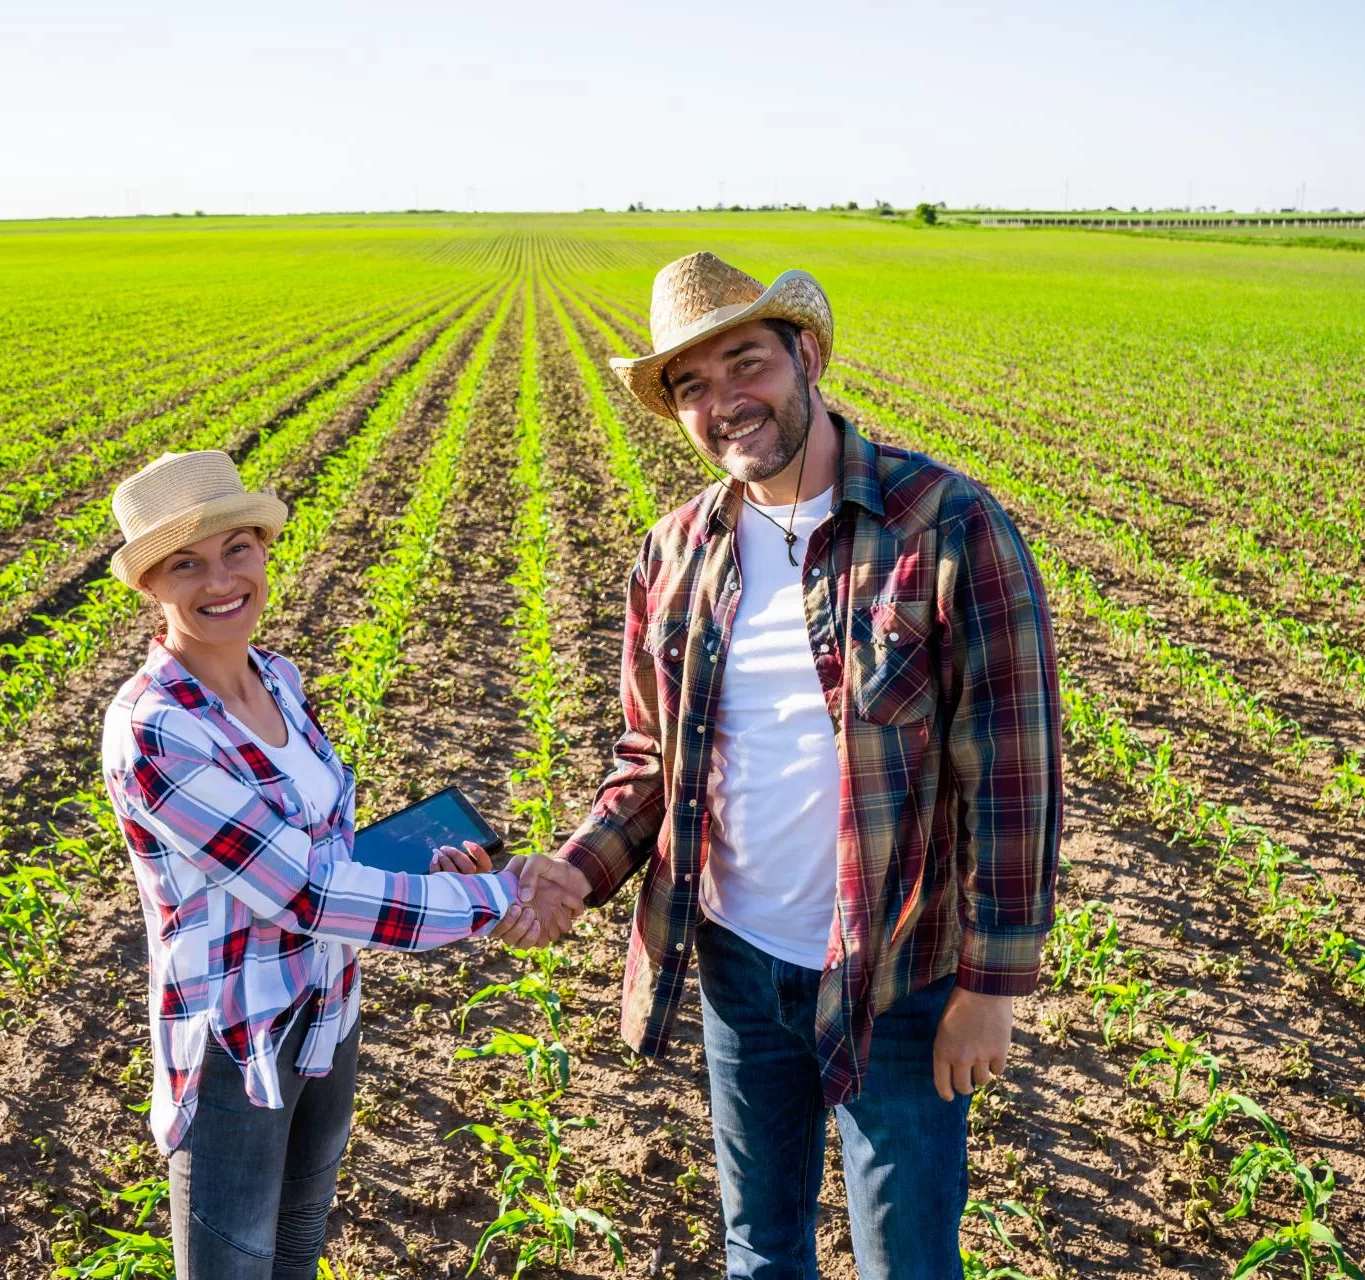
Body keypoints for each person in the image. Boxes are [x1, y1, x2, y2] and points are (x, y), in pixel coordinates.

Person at [515, 253, 1062, 1278]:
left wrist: (992, 985)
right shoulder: (675, 553)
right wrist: (574, 873)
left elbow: (1012, 771)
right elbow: (651, 760)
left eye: (746, 364)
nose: (725, 402)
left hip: (899, 975)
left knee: (907, 1261)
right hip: (737, 962)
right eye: (692, 385)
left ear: (805, 355)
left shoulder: (944, 523)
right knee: (761, 1249)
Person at [98, 450, 580, 1280]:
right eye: (186, 565)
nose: (221, 581)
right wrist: (495, 897)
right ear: (149, 585)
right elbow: (309, 893)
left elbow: (322, 853)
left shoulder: (276, 679)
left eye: (236, 550)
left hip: (327, 1007)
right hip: (237, 1045)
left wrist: (432, 875)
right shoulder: (155, 729)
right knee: (234, 1268)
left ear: (264, 550)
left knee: (298, 1248)